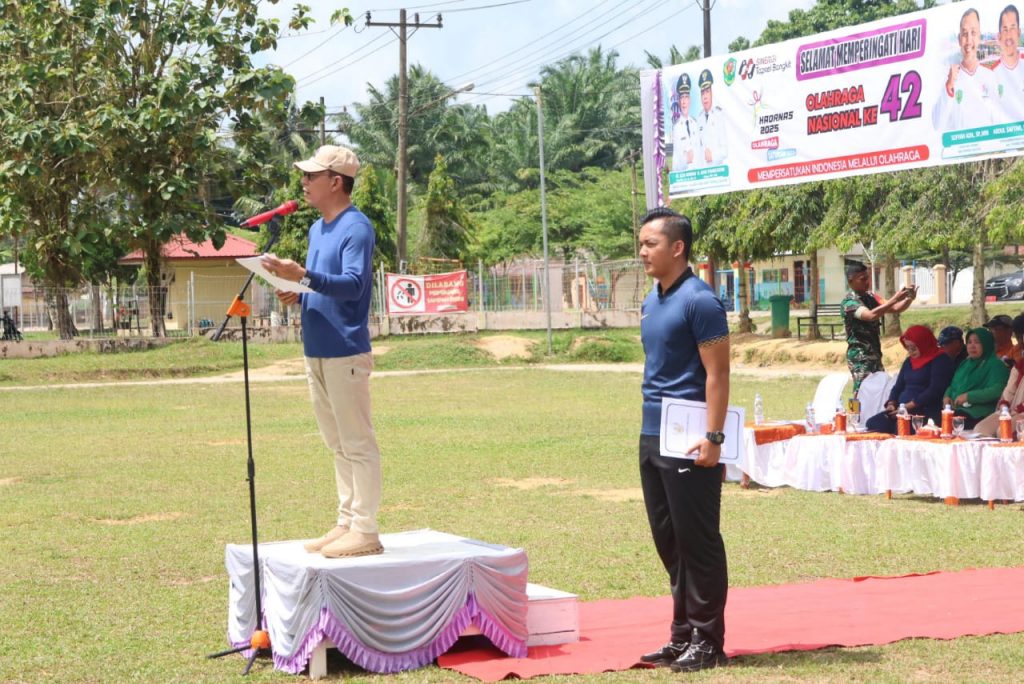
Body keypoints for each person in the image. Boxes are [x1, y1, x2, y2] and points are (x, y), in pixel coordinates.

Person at [261, 145, 384, 559]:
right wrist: (295, 290)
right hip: (315, 346)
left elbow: (353, 285)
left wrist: (306, 275)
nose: (304, 183)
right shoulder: (317, 229)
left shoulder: (357, 227)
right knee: (336, 443)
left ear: (336, 181)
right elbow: (321, 284)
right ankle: (346, 521)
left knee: (357, 443)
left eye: (312, 176)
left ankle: (366, 529)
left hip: (345, 349)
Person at [635, 207, 730, 673]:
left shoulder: (701, 300)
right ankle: (682, 635)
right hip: (652, 434)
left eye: (650, 244)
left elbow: (718, 373)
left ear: (678, 247)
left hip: (692, 439)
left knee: (699, 541)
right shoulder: (652, 299)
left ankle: (709, 641)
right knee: (669, 541)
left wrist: (714, 437)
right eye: (640, 244)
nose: (642, 252)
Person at [840, 261, 915, 394]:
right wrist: (895, 298)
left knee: (879, 391)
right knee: (861, 393)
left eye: (867, 278)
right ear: (851, 281)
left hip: (875, 355)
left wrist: (909, 298)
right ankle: (856, 415)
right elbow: (870, 315)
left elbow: (895, 308)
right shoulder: (849, 302)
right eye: (862, 279)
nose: (867, 282)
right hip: (860, 358)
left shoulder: (871, 297)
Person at [865, 325, 956, 434]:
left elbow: (935, 390)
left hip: (924, 411)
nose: (910, 351)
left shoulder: (940, 360)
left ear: (923, 344)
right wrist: (891, 403)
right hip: (902, 410)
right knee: (873, 424)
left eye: (913, 347)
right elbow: (898, 386)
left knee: (901, 429)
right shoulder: (909, 361)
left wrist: (909, 406)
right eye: (907, 347)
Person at [932, 8, 1003, 132]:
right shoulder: (949, 78)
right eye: (964, 34)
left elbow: (999, 120)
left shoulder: (990, 76)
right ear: (959, 39)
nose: (969, 40)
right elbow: (937, 124)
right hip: (961, 149)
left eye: (973, 33)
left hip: (988, 150)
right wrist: (949, 86)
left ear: (979, 37)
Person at [942, 327, 1011, 430]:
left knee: (952, 423)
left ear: (986, 344)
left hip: (980, 412)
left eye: (977, 342)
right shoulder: (965, 364)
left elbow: (998, 390)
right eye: (969, 342)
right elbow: (953, 385)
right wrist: (946, 396)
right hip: (958, 410)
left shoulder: (996, 365)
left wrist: (969, 397)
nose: (972, 346)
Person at [975, 313, 1024, 436]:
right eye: (1019, 336)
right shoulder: (1019, 363)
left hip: (1020, 411)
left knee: (1004, 432)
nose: (1021, 340)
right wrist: (1004, 406)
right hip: (1012, 410)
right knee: (981, 430)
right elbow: (1009, 390)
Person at [991, 5, 1024, 121]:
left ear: (1019, 32)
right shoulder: (990, 73)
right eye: (1005, 29)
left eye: (1013, 28)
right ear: (999, 36)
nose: (1009, 35)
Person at [696, 68, 728, 167]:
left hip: (717, 172)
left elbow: (725, 150)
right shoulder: (699, 118)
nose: (705, 96)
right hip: (703, 174)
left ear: (712, 93)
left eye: (707, 92)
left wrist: (713, 156)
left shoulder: (719, 116)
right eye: (702, 93)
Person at [670, 73, 697, 173]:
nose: (684, 102)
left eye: (686, 97)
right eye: (681, 98)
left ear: (689, 100)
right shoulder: (676, 127)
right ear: (679, 101)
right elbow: (679, 157)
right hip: (682, 177)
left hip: (698, 177)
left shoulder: (695, 123)